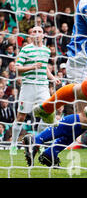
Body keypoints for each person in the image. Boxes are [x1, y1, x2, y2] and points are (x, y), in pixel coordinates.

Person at [9, 26, 61, 155]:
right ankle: (14, 144)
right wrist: (32, 67)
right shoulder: (26, 50)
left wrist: (53, 78)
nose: (37, 34)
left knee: (47, 114)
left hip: (43, 86)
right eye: (34, 32)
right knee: (21, 116)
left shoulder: (46, 50)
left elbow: (45, 68)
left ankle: (39, 142)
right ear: (31, 35)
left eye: (39, 32)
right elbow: (16, 67)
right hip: (28, 86)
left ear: (43, 35)